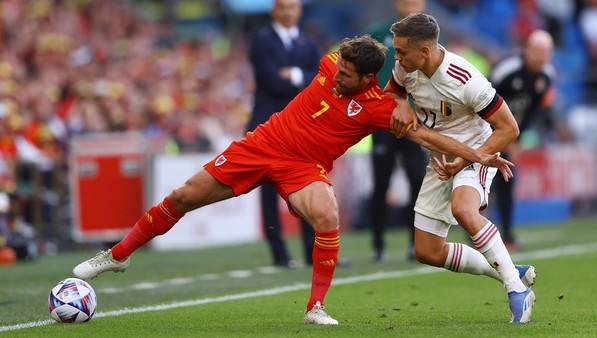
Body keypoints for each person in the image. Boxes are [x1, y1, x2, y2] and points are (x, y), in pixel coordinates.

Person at [73, 35, 513, 325]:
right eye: (337, 68)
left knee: (327, 213)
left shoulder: (379, 107)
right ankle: (117, 255)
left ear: (365, 80)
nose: (336, 74)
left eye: (345, 75)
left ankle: (315, 307)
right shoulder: (329, 62)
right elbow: (364, 54)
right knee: (184, 195)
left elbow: (425, 134)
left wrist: (479, 155)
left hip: (304, 168)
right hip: (262, 145)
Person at [387, 13, 536, 323]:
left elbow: (509, 129)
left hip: (476, 153)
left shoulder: (465, 79)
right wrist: (400, 101)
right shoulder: (405, 66)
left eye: (402, 51)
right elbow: (394, 92)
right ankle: (509, 269)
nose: (397, 57)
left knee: (464, 211)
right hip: (439, 160)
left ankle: (517, 291)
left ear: (425, 51)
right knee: (427, 251)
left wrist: (469, 158)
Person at [247, 0, 321, 268]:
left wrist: (294, 74)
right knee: (268, 189)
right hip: (268, 124)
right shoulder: (261, 40)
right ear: (273, 10)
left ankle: (311, 251)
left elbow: (319, 80)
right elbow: (269, 80)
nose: (288, 12)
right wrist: (301, 81)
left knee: (309, 184)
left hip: (301, 125)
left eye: (292, 7)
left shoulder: (309, 42)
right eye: (283, 7)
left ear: (299, 11)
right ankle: (279, 255)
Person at [367, 0, 428, 262]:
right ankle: (378, 244)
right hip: (383, 120)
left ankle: (416, 244)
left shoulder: (430, 36)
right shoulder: (379, 33)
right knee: (381, 183)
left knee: (418, 182)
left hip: (414, 122)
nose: (410, 5)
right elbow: (367, 73)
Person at [489, 29, 556, 251]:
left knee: (507, 179)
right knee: (479, 181)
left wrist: (516, 138)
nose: (540, 56)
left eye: (545, 52)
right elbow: (482, 99)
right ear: (526, 49)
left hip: (507, 133)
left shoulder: (547, 76)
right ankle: (475, 232)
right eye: (536, 50)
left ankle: (506, 234)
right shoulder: (507, 70)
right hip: (482, 128)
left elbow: (531, 111)